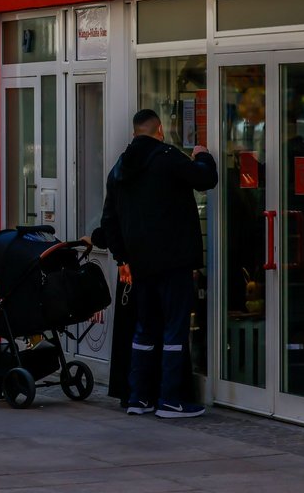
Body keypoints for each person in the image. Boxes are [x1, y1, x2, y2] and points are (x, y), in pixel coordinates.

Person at [94, 108, 217, 419]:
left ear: (136, 132)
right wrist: (203, 156)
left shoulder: (119, 168)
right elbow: (205, 179)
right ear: (159, 129)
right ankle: (172, 400)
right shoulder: (167, 157)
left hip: (140, 266)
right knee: (175, 329)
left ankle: (139, 398)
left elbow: (109, 221)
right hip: (174, 262)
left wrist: (123, 259)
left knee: (144, 330)